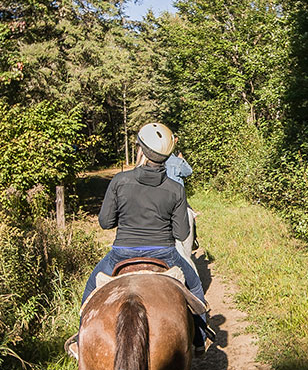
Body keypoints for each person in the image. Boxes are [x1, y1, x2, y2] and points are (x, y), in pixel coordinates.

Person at [81, 122, 211, 348]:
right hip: (165, 253)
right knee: (196, 288)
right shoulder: (175, 188)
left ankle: (81, 341)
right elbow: (182, 233)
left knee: (89, 294)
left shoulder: (120, 181)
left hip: (121, 253)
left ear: (140, 149)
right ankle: (200, 339)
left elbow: (105, 223)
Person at [163, 149, 197, 262]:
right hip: (178, 202)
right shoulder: (177, 161)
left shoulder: (154, 163)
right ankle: (193, 242)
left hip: (161, 203)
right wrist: (182, 159)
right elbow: (189, 171)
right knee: (190, 215)